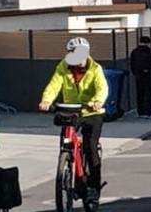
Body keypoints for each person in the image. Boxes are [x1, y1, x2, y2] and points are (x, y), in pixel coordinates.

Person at [40, 37, 109, 191]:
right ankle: (66, 165)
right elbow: (53, 85)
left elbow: (102, 88)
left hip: (91, 112)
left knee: (90, 147)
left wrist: (97, 101)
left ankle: (94, 186)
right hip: (70, 111)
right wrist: (46, 101)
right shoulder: (63, 67)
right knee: (66, 143)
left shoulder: (95, 68)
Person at [128, 31, 151, 118]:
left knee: (139, 93)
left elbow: (132, 63)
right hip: (148, 75)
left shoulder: (134, 52)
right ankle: (147, 112)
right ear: (148, 43)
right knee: (148, 94)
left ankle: (140, 112)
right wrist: (148, 69)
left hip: (138, 75)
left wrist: (135, 72)